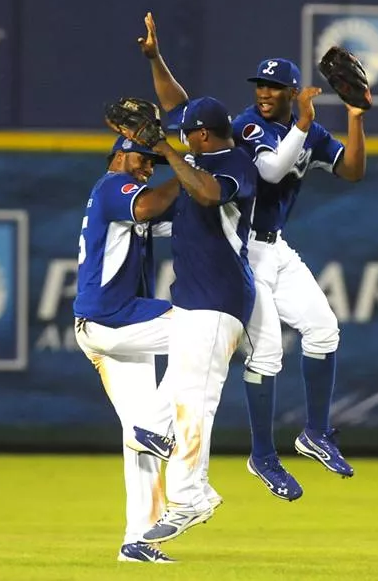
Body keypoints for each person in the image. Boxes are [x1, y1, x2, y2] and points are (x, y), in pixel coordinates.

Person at [136, 12, 369, 502]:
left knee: (325, 330)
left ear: (291, 91)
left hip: (277, 247)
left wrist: (354, 116)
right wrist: (304, 125)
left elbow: (350, 171)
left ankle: (316, 432)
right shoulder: (245, 127)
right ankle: (263, 455)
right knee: (264, 355)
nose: (263, 93)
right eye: (260, 85)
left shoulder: (304, 129)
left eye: (273, 87)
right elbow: (267, 169)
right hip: (243, 252)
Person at [119, 95, 257, 544]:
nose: (177, 137)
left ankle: (191, 496)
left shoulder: (236, 163)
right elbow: (175, 120)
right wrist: (155, 59)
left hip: (219, 300)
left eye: (184, 132)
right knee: (150, 426)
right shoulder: (192, 160)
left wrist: (169, 150)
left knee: (195, 401)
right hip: (191, 302)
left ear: (201, 134)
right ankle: (159, 440)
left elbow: (206, 191)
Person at [72, 135, 181, 563]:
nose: (148, 168)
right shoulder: (112, 186)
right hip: (113, 318)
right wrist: (184, 161)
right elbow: (152, 205)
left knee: (138, 438)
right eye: (143, 158)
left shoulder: (129, 198)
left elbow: (180, 216)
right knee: (207, 331)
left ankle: (137, 541)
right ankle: (156, 426)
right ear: (119, 156)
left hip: (113, 327)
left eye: (155, 162)